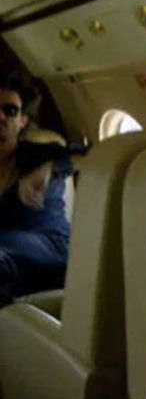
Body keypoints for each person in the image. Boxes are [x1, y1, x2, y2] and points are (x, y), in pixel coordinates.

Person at [0, 77, 72, 307]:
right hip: (11, 261)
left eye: (10, 110)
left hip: (53, 250)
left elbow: (92, 155)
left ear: (23, 121)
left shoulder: (40, 154)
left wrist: (49, 168)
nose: (1, 117)